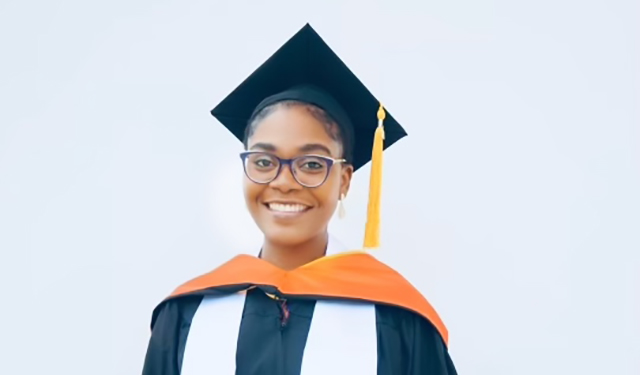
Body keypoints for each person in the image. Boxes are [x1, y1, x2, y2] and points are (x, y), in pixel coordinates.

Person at [141, 23, 458, 375]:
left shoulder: (398, 319)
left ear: (345, 180)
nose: (284, 182)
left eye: (311, 164)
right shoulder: (187, 313)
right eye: (264, 161)